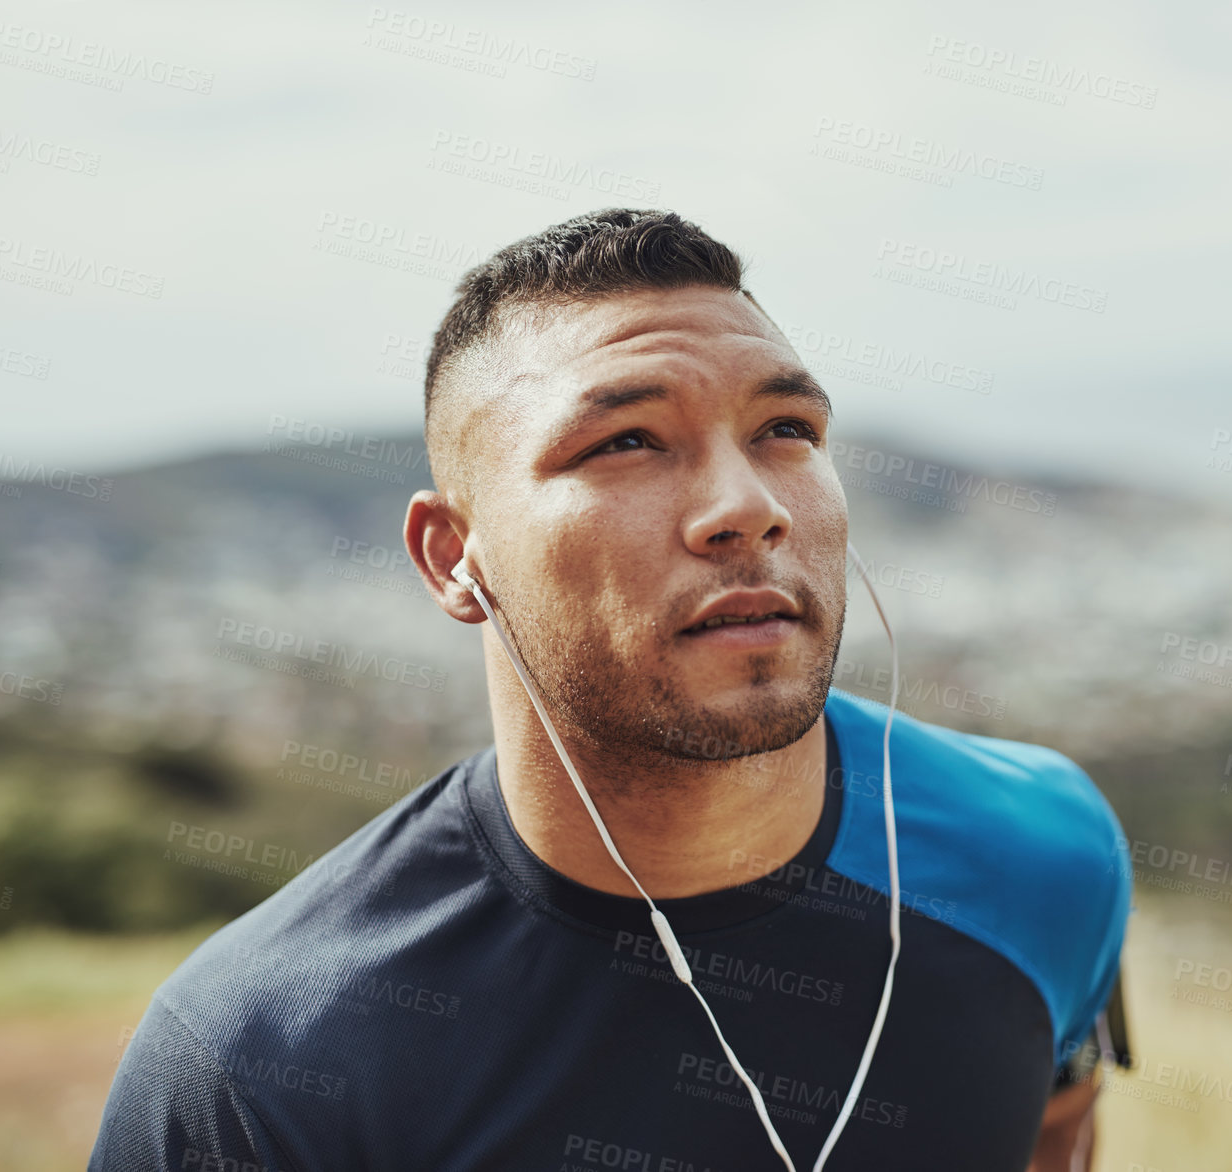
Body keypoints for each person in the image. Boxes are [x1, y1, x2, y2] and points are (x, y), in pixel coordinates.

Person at [90, 208, 1133, 1171]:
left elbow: (1055, 1133)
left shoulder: (1043, 845)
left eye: (786, 429)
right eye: (626, 440)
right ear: (454, 557)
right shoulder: (256, 1066)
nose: (747, 505)